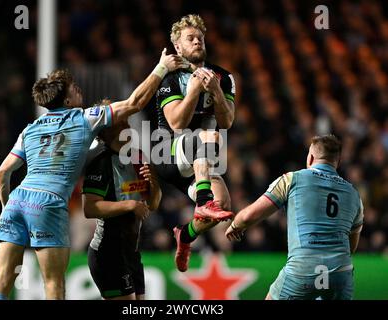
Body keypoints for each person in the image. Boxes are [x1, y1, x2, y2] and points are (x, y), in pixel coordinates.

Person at [0, 49, 188, 300]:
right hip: (48, 203)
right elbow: (134, 103)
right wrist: (161, 68)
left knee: (3, 278)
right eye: (73, 88)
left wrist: (8, 208)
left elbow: (2, 172)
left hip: (17, 201)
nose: (79, 89)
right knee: (54, 284)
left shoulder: (30, 129)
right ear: (67, 101)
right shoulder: (84, 118)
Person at [226, 134, 364, 300]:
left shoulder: (292, 180)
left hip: (304, 266)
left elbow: (249, 216)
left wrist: (235, 225)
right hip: (341, 272)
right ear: (337, 162)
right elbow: (352, 245)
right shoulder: (354, 194)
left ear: (311, 157)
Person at [153, 14, 236, 272]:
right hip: (167, 153)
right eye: (190, 38)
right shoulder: (169, 78)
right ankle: (202, 201)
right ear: (178, 47)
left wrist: (217, 92)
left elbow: (227, 121)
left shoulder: (222, 77)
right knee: (206, 135)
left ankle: (185, 235)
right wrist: (193, 92)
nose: (197, 41)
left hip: (199, 160)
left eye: (200, 37)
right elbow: (177, 123)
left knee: (223, 206)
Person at [82, 114, 161, 300]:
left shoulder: (138, 157)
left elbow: (153, 204)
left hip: (131, 253)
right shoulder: (100, 163)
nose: (128, 125)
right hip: (108, 253)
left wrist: (153, 183)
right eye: (121, 123)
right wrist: (130, 205)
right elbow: (90, 209)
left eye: (127, 121)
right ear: (108, 131)